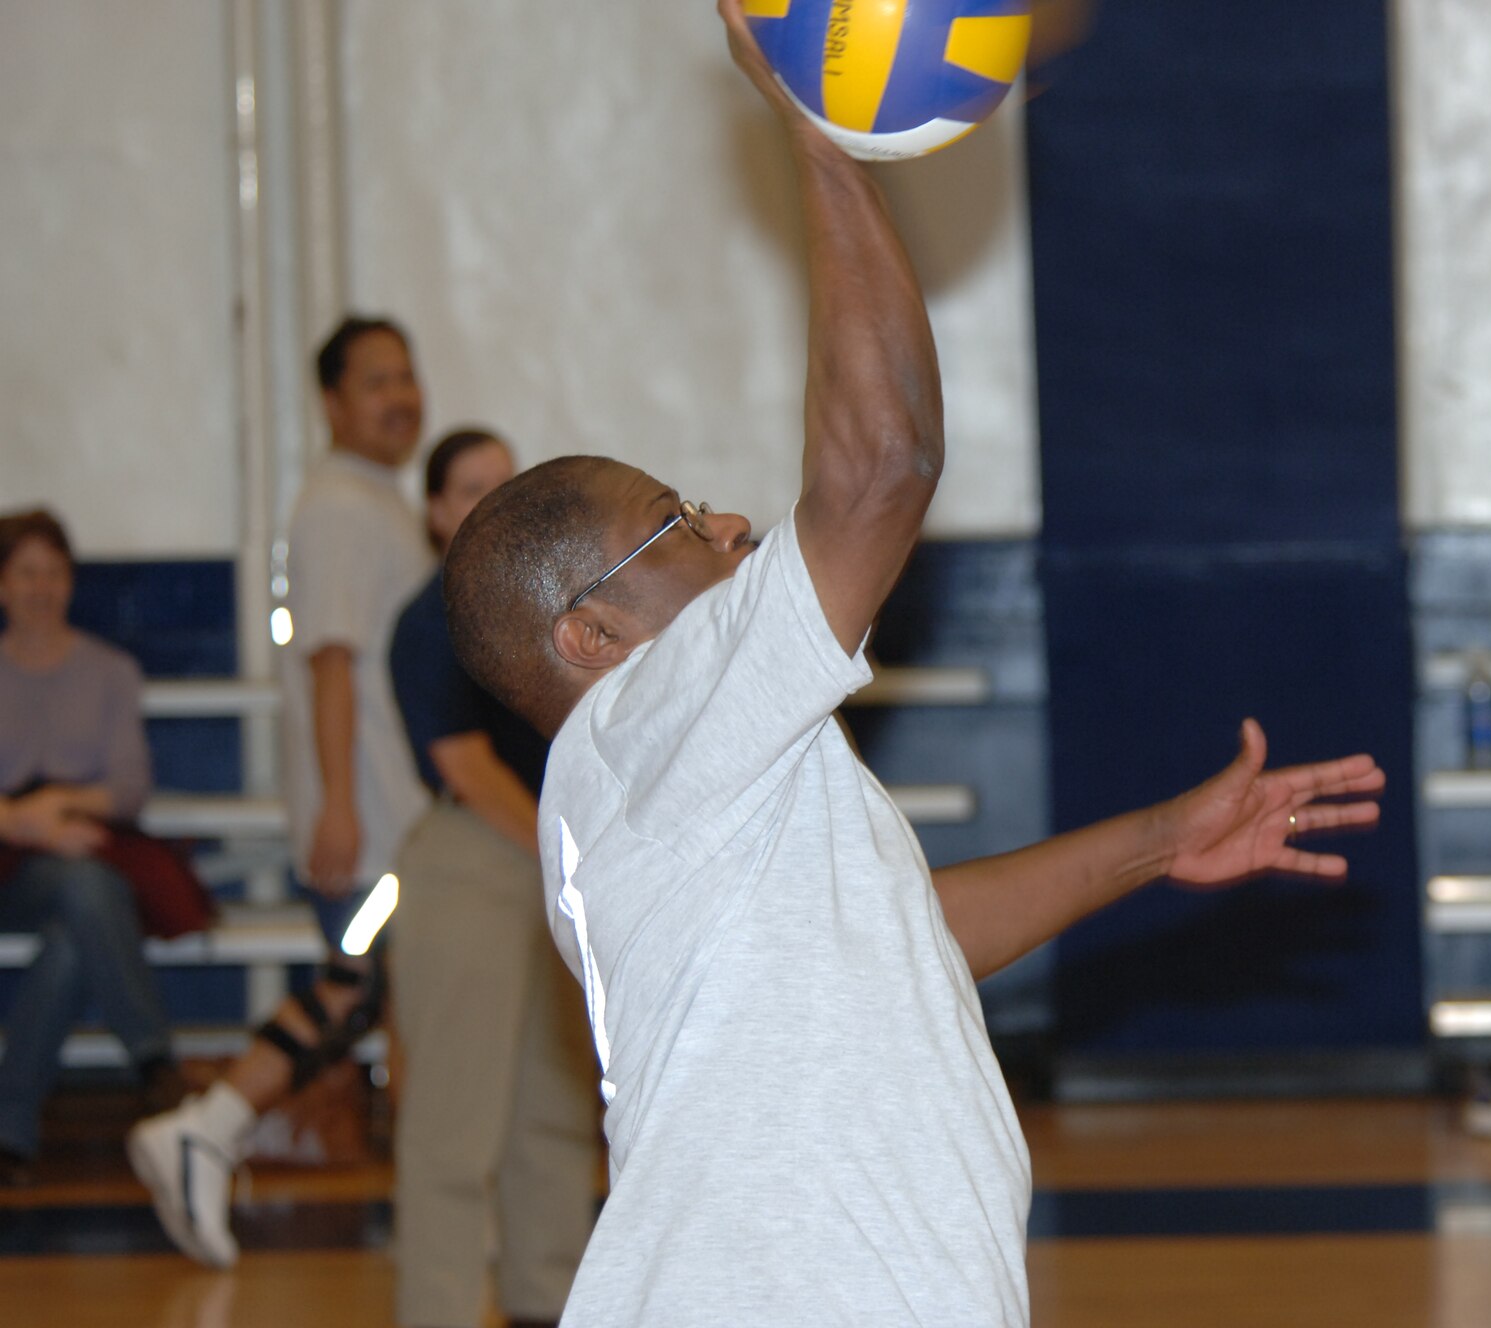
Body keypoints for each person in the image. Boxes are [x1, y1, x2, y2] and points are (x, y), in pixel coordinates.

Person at [439, 5, 1386, 1322]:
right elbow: (883, 469)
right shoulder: (642, 724)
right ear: (589, 636)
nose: (725, 526)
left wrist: (1163, 840)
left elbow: (903, 938)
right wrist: (821, 134)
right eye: (675, 521)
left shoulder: (685, 781)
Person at [131, 315, 435, 1266]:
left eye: (407, 376)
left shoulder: (375, 499)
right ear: (333, 403)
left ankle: (214, 1130)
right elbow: (332, 665)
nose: (400, 396)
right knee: (359, 990)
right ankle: (207, 1126)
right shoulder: (339, 507)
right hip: (377, 821)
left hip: (397, 814)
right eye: (376, 381)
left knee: (377, 995)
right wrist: (339, 803)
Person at [387, 429, 600, 1328]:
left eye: (503, 481)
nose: (488, 496)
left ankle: (547, 1304)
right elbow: (465, 766)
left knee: (549, 1113)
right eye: (470, 485)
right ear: (436, 512)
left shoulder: (545, 610)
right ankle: (435, 1312)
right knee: (451, 1125)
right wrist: (557, 853)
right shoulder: (429, 618)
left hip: (544, 865)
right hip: (471, 862)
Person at [0, 509, 184, 1185]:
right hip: (11, 856)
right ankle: (154, 1058)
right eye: (26, 573)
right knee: (87, 886)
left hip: (82, 846)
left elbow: (129, 787)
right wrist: (20, 820)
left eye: (54, 572)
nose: (42, 587)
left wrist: (61, 807)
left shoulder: (110, 670)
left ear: (70, 583)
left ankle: (10, 1130)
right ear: (3, 585)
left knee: (77, 923)